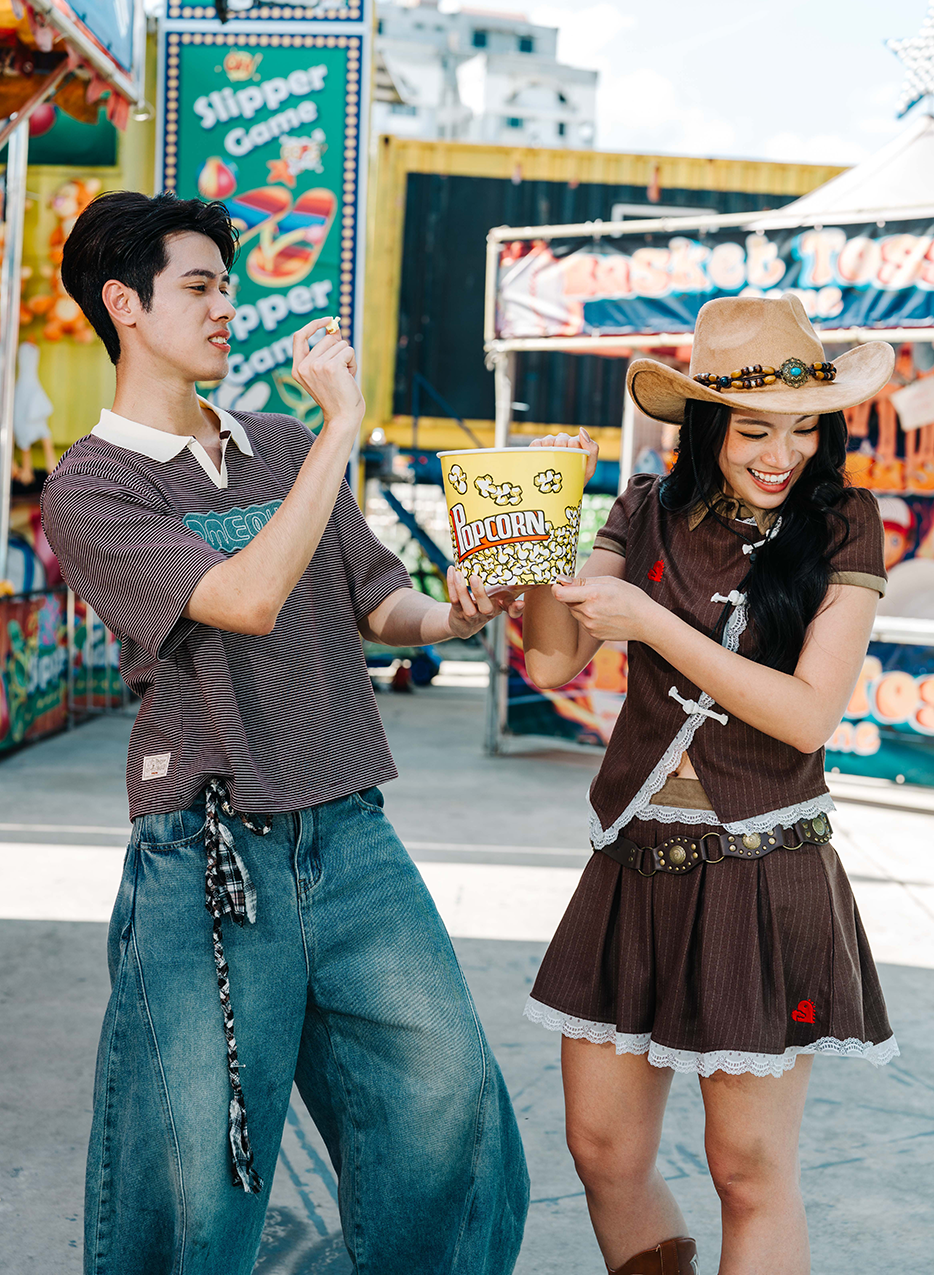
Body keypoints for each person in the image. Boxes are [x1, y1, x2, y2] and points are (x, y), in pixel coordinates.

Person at [40, 191, 529, 1275]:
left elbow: (376, 602)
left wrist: (456, 614)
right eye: (200, 286)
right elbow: (247, 598)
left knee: (447, 1102)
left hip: (349, 828)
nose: (228, 307)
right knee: (200, 1174)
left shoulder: (280, 444)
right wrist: (342, 431)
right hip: (207, 856)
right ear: (124, 304)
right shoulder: (91, 487)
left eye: (229, 285)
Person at [519, 295, 898, 1275]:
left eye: (804, 428)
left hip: (762, 870)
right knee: (603, 1150)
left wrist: (651, 623)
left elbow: (807, 715)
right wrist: (535, 543)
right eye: (754, 430)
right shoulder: (642, 508)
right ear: (705, 422)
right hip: (632, 862)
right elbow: (553, 660)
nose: (784, 454)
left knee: (746, 1170)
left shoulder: (845, 523)